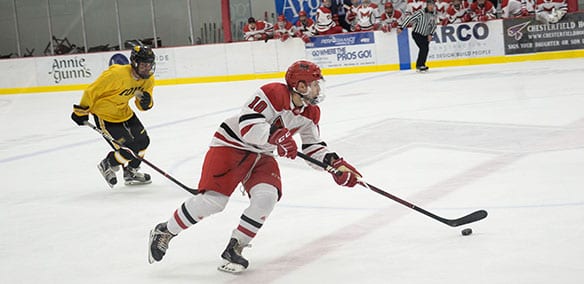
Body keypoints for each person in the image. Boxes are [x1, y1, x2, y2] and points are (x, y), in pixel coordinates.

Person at [147, 60, 362, 274]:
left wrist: (333, 164)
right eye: (315, 83)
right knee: (214, 201)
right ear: (300, 86)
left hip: (262, 153)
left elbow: (312, 147)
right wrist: (275, 136)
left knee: (267, 196)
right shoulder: (273, 93)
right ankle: (165, 231)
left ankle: (235, 246)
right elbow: (247, 125)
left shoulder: (311, 112)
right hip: (231, 144)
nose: (318, 88)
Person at [70, 45, 156, 188]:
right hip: (106, 116)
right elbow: (91, 92)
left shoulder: (148, 79)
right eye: (143, 65)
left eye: (149, 65)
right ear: (134, 63)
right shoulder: (116, 75)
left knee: (143, 142)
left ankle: (131, 172)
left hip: (125, 113)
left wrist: (146, 102)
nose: (147, 69)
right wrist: (81, 112)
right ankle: (107, 163)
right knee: (128, 150)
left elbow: (141, 104)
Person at [397, 0, 438, 72]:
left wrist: (431, 34)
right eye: (430, 5)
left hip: (426, 34)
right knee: (423, 48)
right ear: (427, 5)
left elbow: (434, 25)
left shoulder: (434, 14)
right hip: (417, 33)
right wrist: (401, 27)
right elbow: (409, 18)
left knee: (425, 49)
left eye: (433, 5)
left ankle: (421, 64)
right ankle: (419, 65)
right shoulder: (421, 12)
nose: (431, 6)